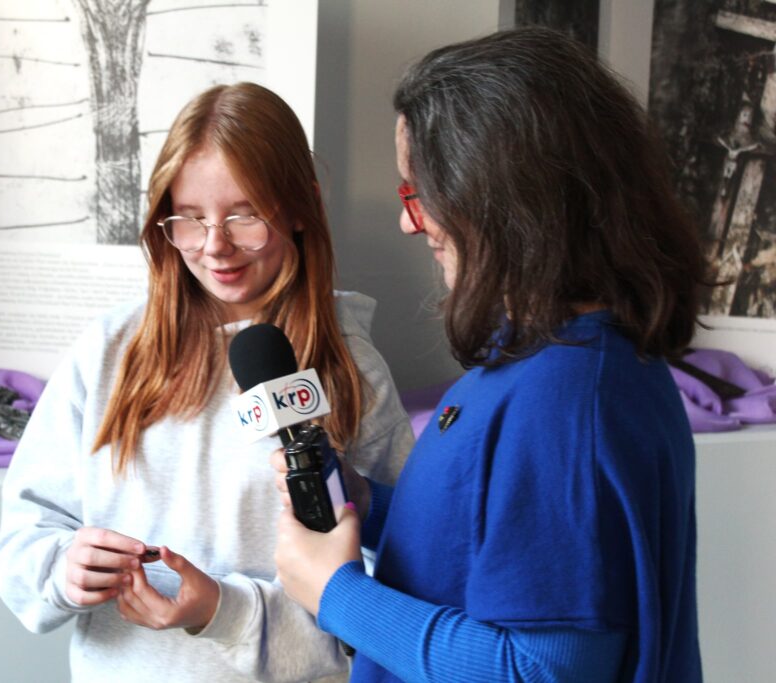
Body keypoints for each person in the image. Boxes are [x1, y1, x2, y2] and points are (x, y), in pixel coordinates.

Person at [273, 27, 706, 683]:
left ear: (496, 196)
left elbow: (538, 669)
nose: (408, 223)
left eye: (417, 194)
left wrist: (336, 594)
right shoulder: (541, 358)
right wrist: (364, 499)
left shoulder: (566, 400)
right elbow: (483, 542)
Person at [0, 81, 415, 682]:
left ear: (300, 208)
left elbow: (390, 604)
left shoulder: (351, 370)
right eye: (189, 219)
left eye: (244, 215)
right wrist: (63, 569)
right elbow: (23, 537)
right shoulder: (109, 351)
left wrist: (224, 612)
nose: (216, 246)